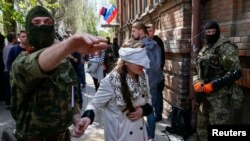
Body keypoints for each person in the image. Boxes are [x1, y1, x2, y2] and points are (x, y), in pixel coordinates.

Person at [10, 6, 108, 141]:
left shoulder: (65, 64)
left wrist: (77, 119)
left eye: (48, 22)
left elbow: (72, 97)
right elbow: (40, 62)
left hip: (62, 136)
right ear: (28, 29)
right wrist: (70, 45)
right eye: (36, 22)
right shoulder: (21, 62)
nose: (43, 26)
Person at [77, 39, 153, 141]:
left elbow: (149, 101)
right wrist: (87, 117)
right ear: (126, 61)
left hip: (140, 135)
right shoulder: (111, 81)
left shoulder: (144, 77)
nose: (142, 63)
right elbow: (95, 104)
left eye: (143, 57)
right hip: (120, 136)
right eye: (137, 59)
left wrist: (143, 110)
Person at [193, 20, 243, 141]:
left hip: (219, 100)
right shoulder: (205, 48)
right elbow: (196, 70)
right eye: (208, 32)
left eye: (213, 31)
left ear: (218, 31)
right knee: (201, 130)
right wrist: (196, 82)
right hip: (203, 97)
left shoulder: (225, 47)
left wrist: (214, 85)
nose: (210, 34)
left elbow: (236, 72)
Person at [131, 21, 164, 141]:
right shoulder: (155, 44)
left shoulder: (138, 46)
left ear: (141, 31)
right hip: (154, 80)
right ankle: (151, 137)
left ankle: (145, 135)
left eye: (134, 31)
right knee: (150, 109)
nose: (132, 33)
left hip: (142, 80)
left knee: (137, 109)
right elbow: (158, 64)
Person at [146, 23, 165, 122]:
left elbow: (162, 57)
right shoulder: (144, 42)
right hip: (147, 73)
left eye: (150, 30)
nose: (148, 33)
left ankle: (158, 114)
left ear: (154, 31)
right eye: (147, 31)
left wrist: (158, 70)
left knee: (158, 94)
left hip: (157, 73)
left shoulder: (158, 42)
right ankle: (150, 113)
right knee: (150, 95)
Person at [3, 32, 18, 108]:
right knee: (11, 88)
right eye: (16, 38)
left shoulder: (5, 47)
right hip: (9, 70)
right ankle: (11, 103)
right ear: (13, 39)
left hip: (5, 69)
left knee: (7, 87)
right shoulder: (12, 48)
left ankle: (7, 102)